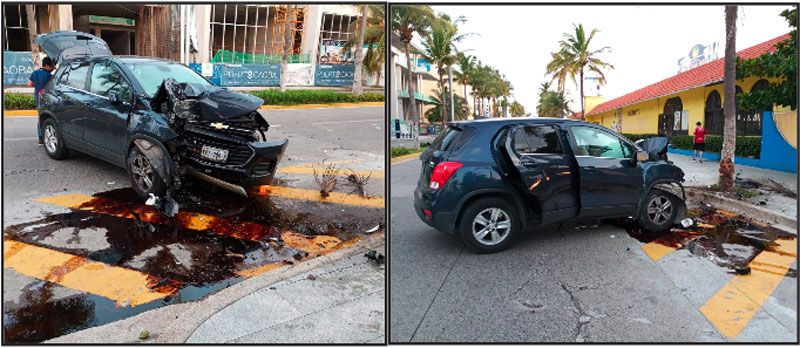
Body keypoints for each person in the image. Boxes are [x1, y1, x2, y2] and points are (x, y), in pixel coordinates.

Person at [28, 56, 55, 145]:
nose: (53, 68)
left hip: (38, 98)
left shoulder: (35, 73)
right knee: (48, 118)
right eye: (52, 66)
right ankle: (45, 137)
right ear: (47, 65)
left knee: (40, 118)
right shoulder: (50, 76)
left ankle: (40, 139)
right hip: (46, 99)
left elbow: (29, 84)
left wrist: (37, 85)